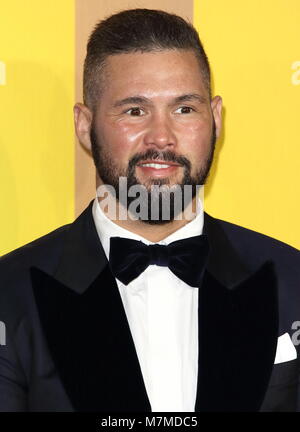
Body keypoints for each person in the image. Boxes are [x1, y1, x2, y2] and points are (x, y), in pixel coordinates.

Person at [0, 8, 299, 412]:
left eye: (184, 109)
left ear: (215, 118)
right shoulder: (11, 294)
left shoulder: (291, 281)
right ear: (84, 125)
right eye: (135, 110)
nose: (162, 136)